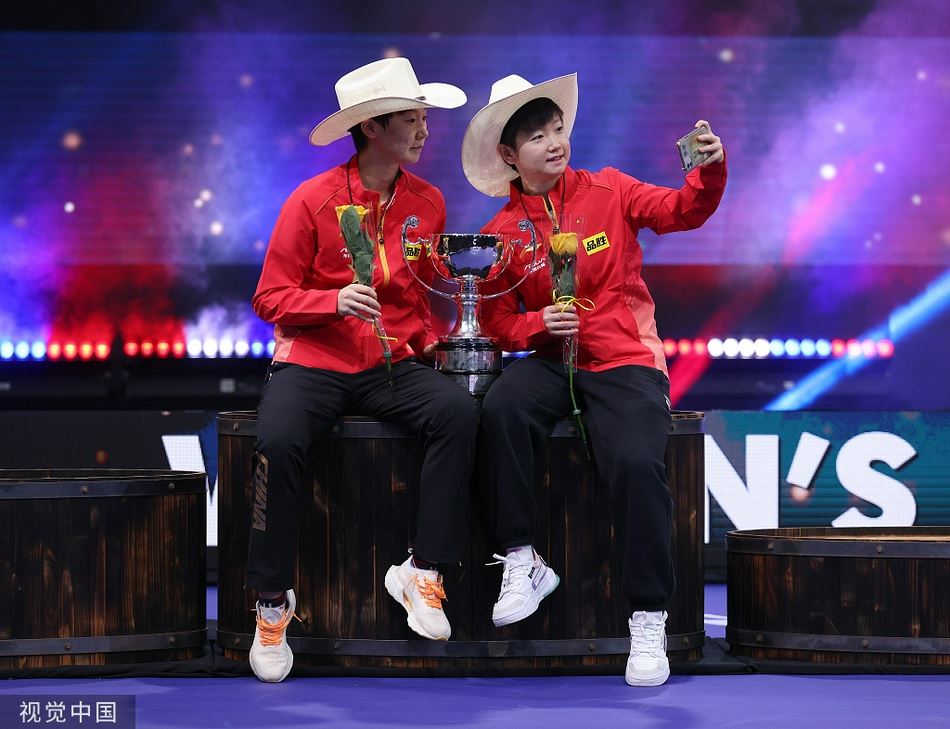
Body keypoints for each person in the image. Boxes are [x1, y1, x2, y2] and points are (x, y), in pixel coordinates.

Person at [462, 72, 726, 687]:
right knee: (501, 409)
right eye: (537, 137)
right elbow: (497, 323)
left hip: (622, 358)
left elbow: (682, 210)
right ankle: (523, 558)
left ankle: (648, 619)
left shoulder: (610, 188)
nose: (555, 143)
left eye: (558, 129)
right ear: (508, 155)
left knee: (635, 464)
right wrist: (537, 323)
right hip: (552, 362)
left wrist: (707, 170)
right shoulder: (502, 232)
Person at [247, 57, 475, 683]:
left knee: (457, 414)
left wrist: (433, 341)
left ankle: (422, 570)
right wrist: (332, 302)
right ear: (372, 127)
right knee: (277, 442)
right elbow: (269, 297)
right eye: (411, 119)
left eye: (424, 118)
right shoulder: (312, 199)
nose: (425, 130)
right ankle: (271, 602)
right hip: (315, 359)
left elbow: (417, 296)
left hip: (389, 362)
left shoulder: (427, 202)